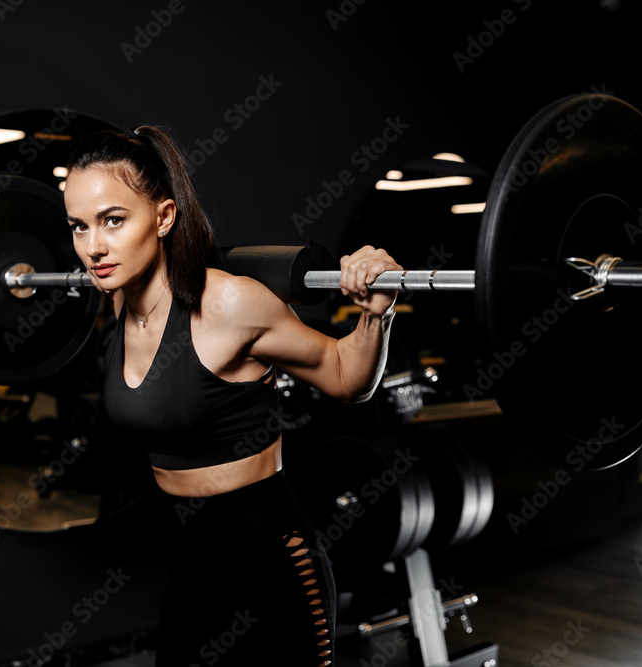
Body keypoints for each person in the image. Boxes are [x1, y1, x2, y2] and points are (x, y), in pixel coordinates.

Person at [63, 126, 401, 666]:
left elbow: (345, 376)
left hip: (270, 562)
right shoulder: (119, 304)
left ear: (164, 216)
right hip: (188, 565)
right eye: (79, 227)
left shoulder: (230, 303)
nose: (93, 247)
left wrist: (375, 310)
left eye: (113, 220)